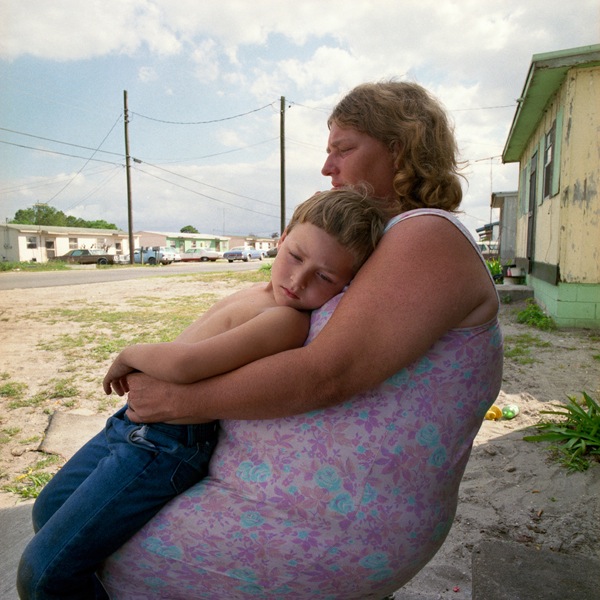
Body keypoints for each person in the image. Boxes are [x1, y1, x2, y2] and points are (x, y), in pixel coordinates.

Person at [43, 81, 503, 599]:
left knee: (58, 563)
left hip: (329, 524)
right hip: (279, 499)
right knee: (58, 524)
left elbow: (330, 375)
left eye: (342, 149)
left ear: (400, 147)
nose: (328, 168)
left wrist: (182, 399)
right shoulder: (380, 244)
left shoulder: (427, 234)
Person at [17, 187, 389, 600]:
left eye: (324, 277)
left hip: (164, 449)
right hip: (128, 428)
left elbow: (185, 365)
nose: (297, 281)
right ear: (282, 238)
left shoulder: (284, 320)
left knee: (43, 575)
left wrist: (129, 353)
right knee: (46, 510)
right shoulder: (258, 294)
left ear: (346, 286)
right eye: (296, 257)